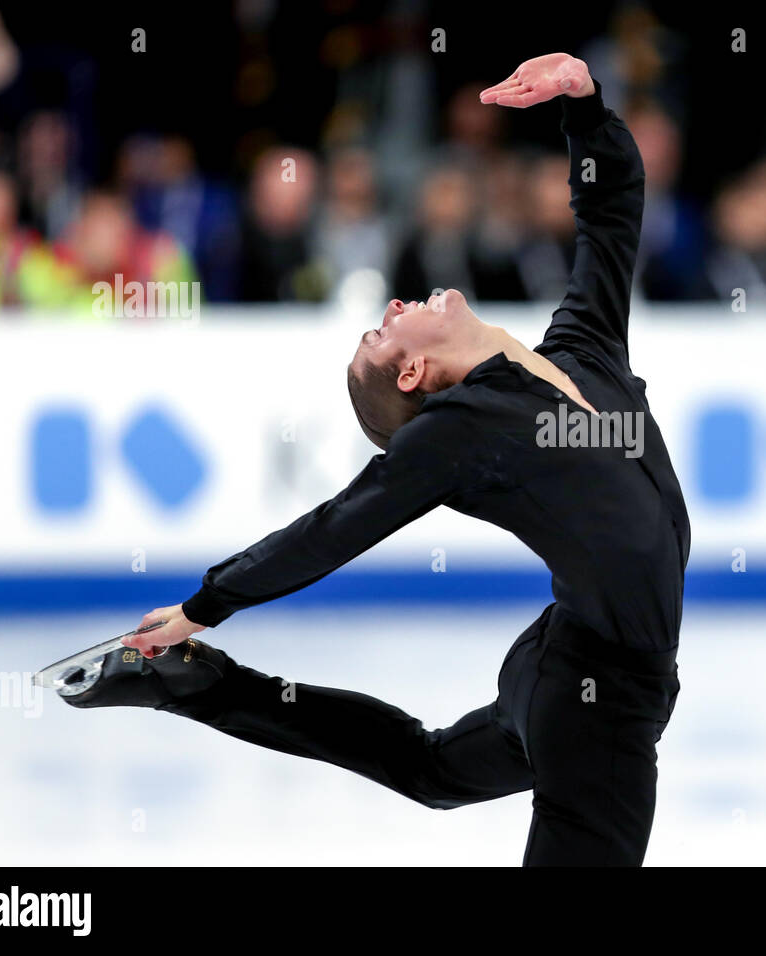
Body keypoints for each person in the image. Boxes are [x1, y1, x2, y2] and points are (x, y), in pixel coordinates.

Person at [58, 52, 689, 867]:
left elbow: (610, 218)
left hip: (572, 662)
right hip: (595, 699)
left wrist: (584, 110)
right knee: (432, 769)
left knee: (429, 767)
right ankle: (196, 675)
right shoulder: (462, 427)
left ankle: (202, 687)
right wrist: (204, 606)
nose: (393, 304)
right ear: (416, 375)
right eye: (382, 333)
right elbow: (337, 525)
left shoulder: (582, 351)